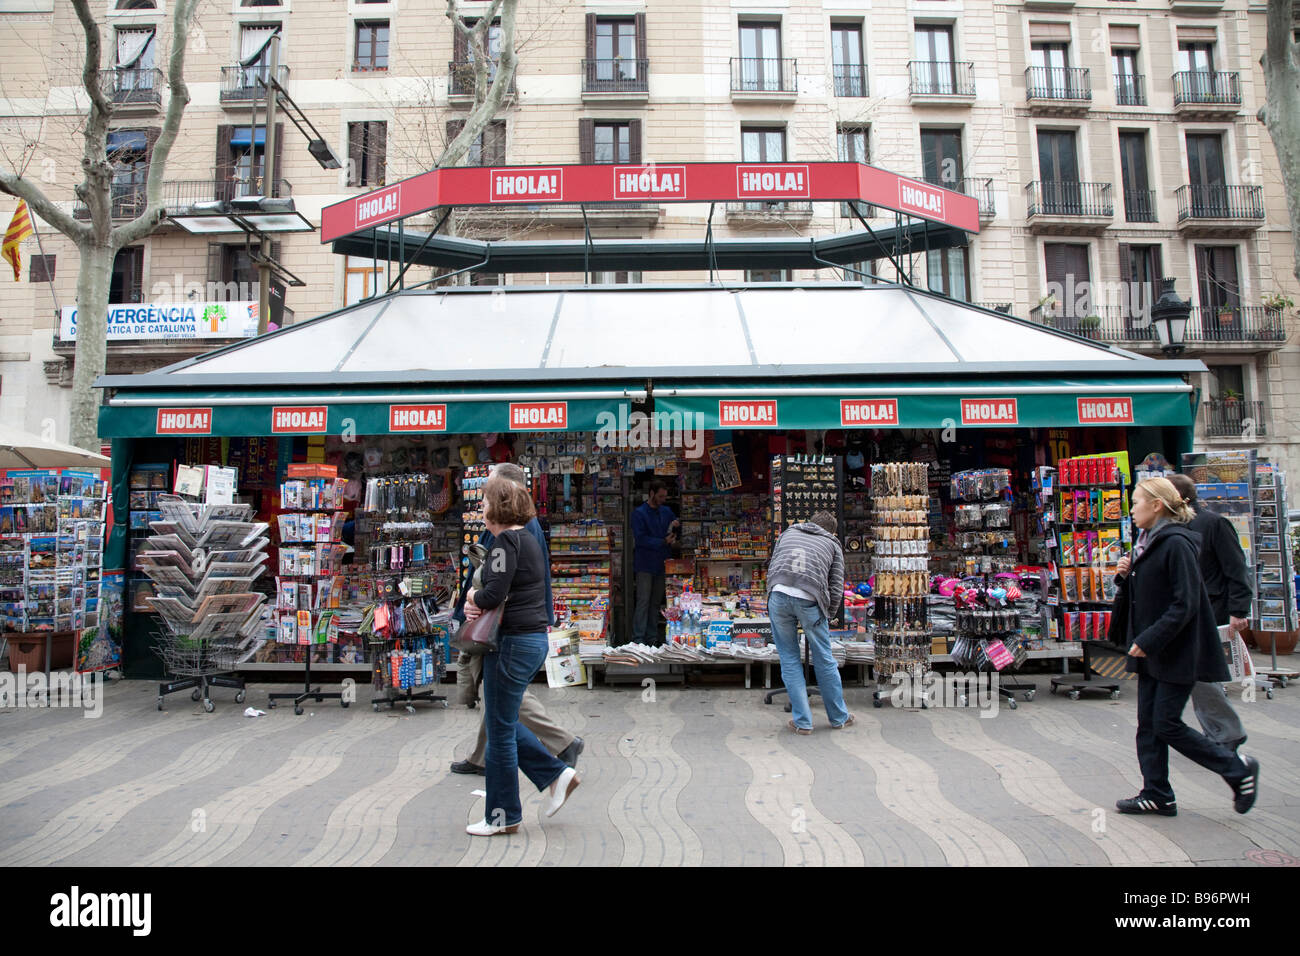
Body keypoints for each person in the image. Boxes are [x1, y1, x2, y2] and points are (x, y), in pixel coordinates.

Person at [1111, 477, 1259, 817]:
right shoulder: (1148, 541)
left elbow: (1186, 602)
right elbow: (1149, 592)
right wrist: (1125, 576)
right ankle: (1157, 792)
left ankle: (1237, 769)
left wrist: (1148, 640)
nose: (1131, 509)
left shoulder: (1176, 542)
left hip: (1177, 650)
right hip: (1153, 650)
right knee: (1148, 723)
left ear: (1157, 505)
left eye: (1136, 502)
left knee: (1165, 723)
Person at [462, 474, 580, 836]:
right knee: (503, 722)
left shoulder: (504, 544)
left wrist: (470, 599)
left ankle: (503, 815)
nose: (480, 509)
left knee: (499, 732)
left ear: (496, 507)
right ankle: (555, 775)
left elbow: (492, 594)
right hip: (529, 641)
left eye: (483, 503)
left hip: (512, 644)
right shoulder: (527, 539)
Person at [1167, 473, 1252, 752]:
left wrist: (1238, 610)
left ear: (1179, 498)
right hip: (1182, 611)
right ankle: (1217, 732)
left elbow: (1236, 567)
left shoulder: (1214, 524)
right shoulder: (1168, 527)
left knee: (1203, 675)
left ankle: (1226, 733)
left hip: (1210, 610)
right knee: (1195, 675)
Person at [765, 511, 852, 734]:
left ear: (811, 524)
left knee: (789, 659)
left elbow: (773, 565)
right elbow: (835, 585)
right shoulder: (832, 543)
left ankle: (803, 722)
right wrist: (829, 613)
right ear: (831, 531)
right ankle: (838, 717)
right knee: (824, 658)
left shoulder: (788, 532)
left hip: (779, 593)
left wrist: (772, 596)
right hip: (810, 598)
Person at [631, 479, 679, 645]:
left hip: (662, 563)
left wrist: (675, 526)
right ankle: (638, 638)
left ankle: (651, 637)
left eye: (665, 496)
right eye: (660, 496)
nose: (663, 499)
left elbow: (675, 522)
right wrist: (662, 542)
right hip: (645, 564)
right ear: (651, 494)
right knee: (643, 601)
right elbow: (640, 539)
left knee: (655, 602)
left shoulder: (666, 511)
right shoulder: (639, 513)